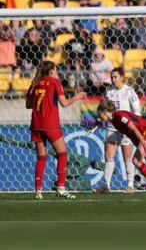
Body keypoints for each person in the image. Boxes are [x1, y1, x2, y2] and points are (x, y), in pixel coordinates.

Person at [26, 61, 86, 200]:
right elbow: (64, 103)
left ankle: (38, 191)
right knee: (62, 154)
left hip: (36, 124)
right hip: (50, 124)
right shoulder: (55, 82)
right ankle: (61, 188)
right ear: (52, 71)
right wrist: (76, 97)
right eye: (56, 70)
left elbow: (28, 105)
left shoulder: (34, 83)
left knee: (41, 157)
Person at [92, 67, 140, 194]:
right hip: (112, 127)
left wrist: (134, 126)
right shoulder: (110, 93)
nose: (113, 80)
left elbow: (137, 111)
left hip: (126, 128)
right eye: (112, 77)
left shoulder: (129, 92)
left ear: (122, 77)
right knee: (108, 156)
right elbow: (105, 110)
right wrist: (98, 120)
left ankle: (130, 185)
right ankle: (106, 185)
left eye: (115, 77)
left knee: (127, 157)